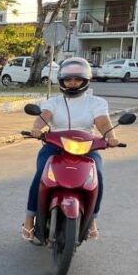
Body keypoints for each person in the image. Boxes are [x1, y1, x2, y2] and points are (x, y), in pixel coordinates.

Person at [21, 57, 120, 244]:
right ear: (62, 81)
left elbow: (102, 121)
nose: (72, 83)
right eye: (68, 79)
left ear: (85, 81)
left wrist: (110, 137)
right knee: (41, 174)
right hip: (55, 144)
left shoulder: (96, 102)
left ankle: (92, 218)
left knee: (97, 175)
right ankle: (29, 218)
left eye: (77, 79)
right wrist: (37, 128)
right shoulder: (54, 102)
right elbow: (44, 116)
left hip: (86, 146)